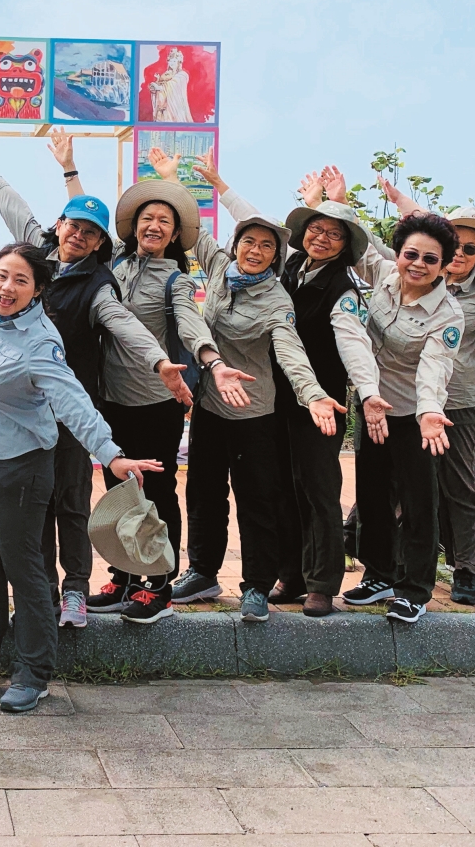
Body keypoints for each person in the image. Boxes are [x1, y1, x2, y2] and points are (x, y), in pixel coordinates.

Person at [0, 179, 163, 713]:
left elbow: (74, 402)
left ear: (38, 290)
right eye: (3, 275)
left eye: (20, 281)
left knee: (25, 567)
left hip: (22, 463)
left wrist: (112, 455)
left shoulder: (40, 342)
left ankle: (33, 670)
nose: (6, 287)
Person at [0, 141, 189, 628]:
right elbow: (18, 214)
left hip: (71, 410)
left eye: (90, 232)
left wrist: (159, 362)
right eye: (73, 226)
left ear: (98, 242)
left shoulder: (98, 284)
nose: (78, 236)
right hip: (25, 411)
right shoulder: (36, 260)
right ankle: (44, 589)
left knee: (71, 500)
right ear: (60, 226)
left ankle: (75, 589)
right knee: (34, 504)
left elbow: (124, 324)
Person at [198, 161, 380, 618]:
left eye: (334, 235)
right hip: (275, 398)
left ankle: (322, 582)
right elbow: (256, 230)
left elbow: (354, 346)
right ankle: (292, 573)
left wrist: (361, 390)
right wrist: (222, 185)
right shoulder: (291, 264)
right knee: (278, 487)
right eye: (315, 229)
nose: (321, 238)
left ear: (345, 247)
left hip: (321, 402)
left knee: (317, 489)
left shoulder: (344, 289)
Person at [169, 156, 345, 623]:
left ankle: (256, 586)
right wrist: (171, 179)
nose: (255, 250)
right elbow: (193, 230)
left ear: (276, 256)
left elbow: (291, 352)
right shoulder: (219, 267)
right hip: (209, 405)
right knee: (203, 493)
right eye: (249, 241)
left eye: (267, 246)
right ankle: (203, 571)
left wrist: (312, 394)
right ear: (237, 244)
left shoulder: (276, 299)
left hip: (254, 413)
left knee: (255, 500)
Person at [49, 135, 207, 624]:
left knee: (156, 494)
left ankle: (157, 584)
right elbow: (84, 220)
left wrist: (208, 359)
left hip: (156, 402)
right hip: (108, 400)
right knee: (119, 490)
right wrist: (70, 167)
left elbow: (192, 322)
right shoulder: (112, 262)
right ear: (134, 227)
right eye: (147, 218)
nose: (154, 225)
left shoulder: (176, 280)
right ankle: (124, 577)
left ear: (175, 234)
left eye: (165, 221)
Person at [371, 178, 475, 605]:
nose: (461, 256)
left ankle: (465, 568)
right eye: (457, 247)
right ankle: (391, 566)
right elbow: (391, 242)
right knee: (399, 485)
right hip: (407, 401)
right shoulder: (412, 275)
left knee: (460, 485)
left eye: (471, 250)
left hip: (461, 403)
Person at [342, 213, 465, 623]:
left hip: (415, 416)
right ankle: (380, 575)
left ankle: (414, 589)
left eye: (431, 259)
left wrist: (430, 412)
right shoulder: (383, 275)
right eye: (410, 254)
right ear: (398, 254)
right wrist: (337, 204)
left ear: (445, 264)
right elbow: (354, 243)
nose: (417, 264)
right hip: (373, 405)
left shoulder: (448, 315)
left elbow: (435, 367)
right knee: (372, 496)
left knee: (417, 504)